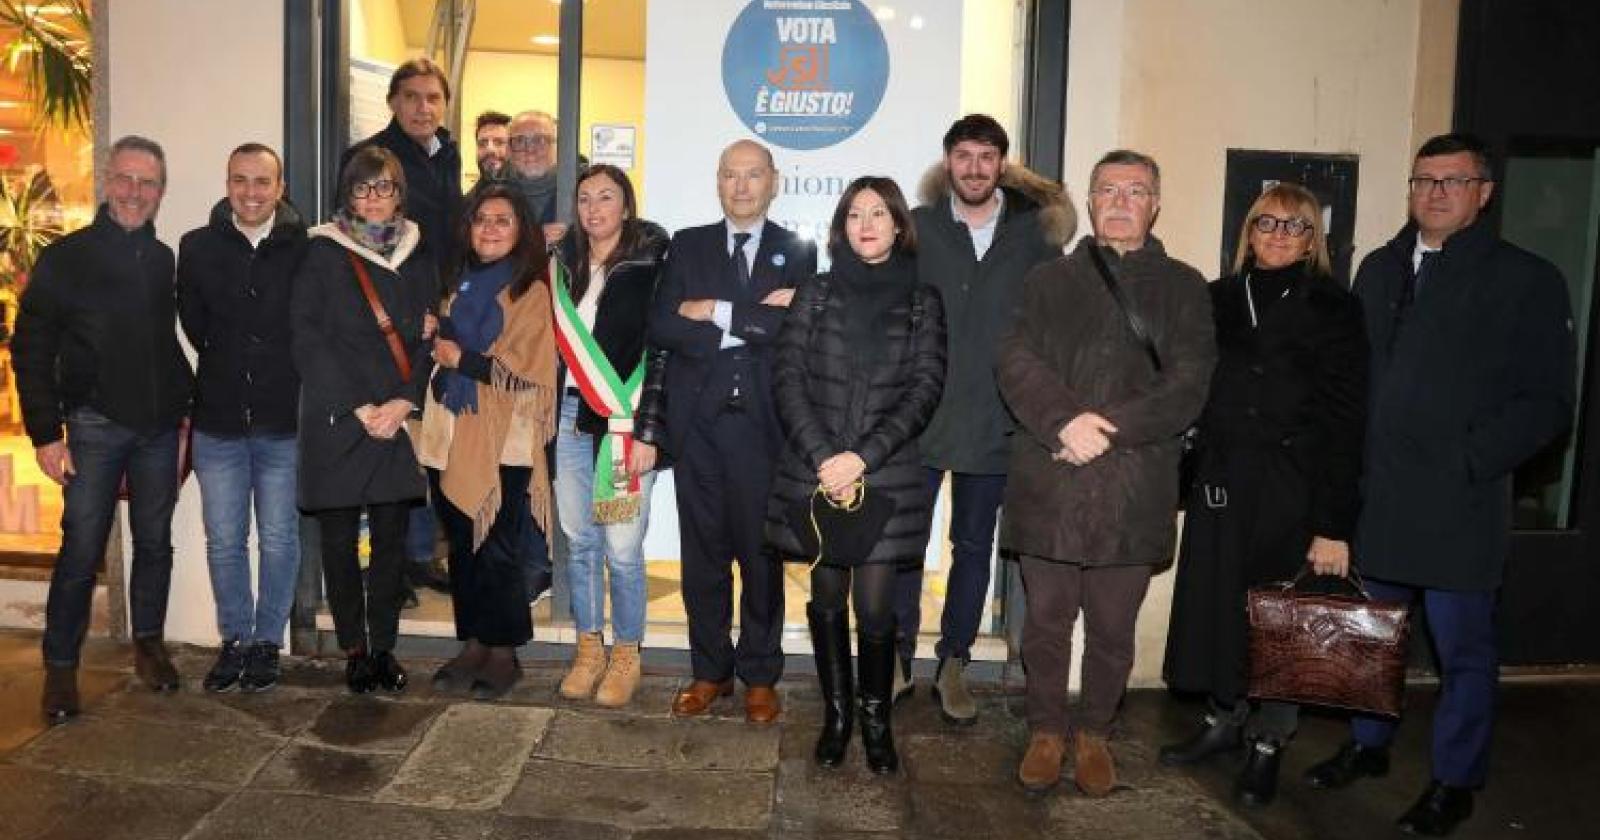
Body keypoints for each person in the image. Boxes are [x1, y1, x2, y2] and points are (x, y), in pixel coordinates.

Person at [1302, 134, 1575, 837]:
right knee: (1370, 638)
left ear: (1484, 192)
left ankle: (1455, 781)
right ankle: (1367, 747)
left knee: (1464, 655)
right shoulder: (1381, 270)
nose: (1437, 192)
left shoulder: (1527, 280)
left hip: (1459, 505)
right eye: (1425, 179)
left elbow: (1547, 402)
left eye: (1455, 180)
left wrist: (1470, 460)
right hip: (1379, 499)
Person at [998, 149, 1216, 796]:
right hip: (1052, 476)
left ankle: (1093, 732)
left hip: (1133, 484)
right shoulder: (1046, 281)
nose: (1121, 201)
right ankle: (1044, 730)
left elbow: (1190, 383)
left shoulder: (1184, 286)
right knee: (1046, 623)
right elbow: (1014, 358)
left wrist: (1103, 431)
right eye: (1108, 190)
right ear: (1090, 203)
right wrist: (1065, 421)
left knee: (1114, 628)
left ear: (1155, 203)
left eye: (1136, 190)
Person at [1158, 183, 1368, 806]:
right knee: (1220, 604)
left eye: (1293, 226)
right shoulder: (1217, 298)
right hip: (1222, 479)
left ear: (1312, 239)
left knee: (1283, 616)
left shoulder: (1336, 308)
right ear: (1248, 232)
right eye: (1266, 224)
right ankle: (1224, 721)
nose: (1278, 235)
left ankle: (1269, 741)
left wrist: (1334, 523)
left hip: (1294, 485)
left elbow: (1347, 417)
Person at [766, 176, 947, 773]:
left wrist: (861, 458)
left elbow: (925, 390)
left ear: (899, 225)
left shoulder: (925, 301)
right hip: (815, 473)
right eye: (854, 214)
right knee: (824, 598)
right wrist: (827, 458)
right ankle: (837, 715)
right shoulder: (814, 293)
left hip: (886, 477)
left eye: (878, 213)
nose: (866, 223)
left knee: (874, 609)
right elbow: (787, 380)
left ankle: (876, 720)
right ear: (842, 226)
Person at [12, 135, 195, 722]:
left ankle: (148, 644)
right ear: (105, 182)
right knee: (81, 549)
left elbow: (159, 341)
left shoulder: (163, 257)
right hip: (91, 426)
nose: (134, 192)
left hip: (158, 428)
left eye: (147, 183)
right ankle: (60, 669)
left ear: (160, 193)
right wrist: (45, 432)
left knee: (156, 542)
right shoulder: (67, 258)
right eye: (125, 179)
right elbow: (31, 346)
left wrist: (185, 398)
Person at [897, 114, 1072, 723]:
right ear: (947, 162)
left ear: (1002, 164)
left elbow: (1054, 328)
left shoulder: (1036, 237)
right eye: (963, 155)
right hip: (918, 417)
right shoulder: (916, 229)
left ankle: (954, 662)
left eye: (986, 157)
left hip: (996, 420)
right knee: (902, 546)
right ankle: (897, 658)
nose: (974, 168)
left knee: (973, 548)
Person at [649, 139, 817, 723]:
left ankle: (761, 675)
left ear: (773, 182)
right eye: (729, 175)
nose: (741, 186)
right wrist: (751, 320)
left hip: (764, 429)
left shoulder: (798, 248)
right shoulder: (688, 244)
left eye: (752, 175)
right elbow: (664, 325)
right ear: (717, 182)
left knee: (760, 555)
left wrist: (716, 313)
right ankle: (710, 670)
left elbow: (798, 329)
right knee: (703, 558)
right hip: (698, 428)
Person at [292, 145, 438, 694]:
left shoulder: (416, 250)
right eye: (363, 188)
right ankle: (353, 649)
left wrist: (403, 402)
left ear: (399, 193)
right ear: (346, 194)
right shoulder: (321, 250)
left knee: (390, 543)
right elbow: (307, 336)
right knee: (338, 544)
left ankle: (383, 647)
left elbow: (430, 333)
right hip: (339, 416)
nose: (375, 199)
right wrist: (359, 408)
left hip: (395, 418)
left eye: (385, 187)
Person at [416, 183, 558, 701]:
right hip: (450, 432)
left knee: (496, 548)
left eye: (502, 220)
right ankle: (474, 641)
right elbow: (443, 345)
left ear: (521, 229)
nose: (490, 229)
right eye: (481, 220)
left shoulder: (529, 290)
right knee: (462, 543)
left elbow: (532, 371)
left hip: (504, 439)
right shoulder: (456, 283)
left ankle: (504, 652)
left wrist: (463, 361)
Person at [177, 143, 310, 693]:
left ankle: (266, 642)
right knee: (224, 538)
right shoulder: (197, 246)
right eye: (240, 180)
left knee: (279, 538)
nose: (250, 192)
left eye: (262, 181)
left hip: (283, 419)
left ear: (280, 188)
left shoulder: (307, 248)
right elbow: (195, 325)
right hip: (220, 419)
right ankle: (234, 638)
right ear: (227, 183)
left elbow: (311, 323)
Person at [341, 58, 462, 601]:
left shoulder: (446, 155)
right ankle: (391, 565)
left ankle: (416, 556)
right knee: (394, 439)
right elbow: (359, 243)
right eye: (412, 97)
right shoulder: (372, 159)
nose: (423, 107)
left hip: (439, 313)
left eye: (433, 98)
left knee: (425, 436)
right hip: (393, 319)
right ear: (392, 102)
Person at [550, 165, 670, 709]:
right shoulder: (562, 264)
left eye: (606, 197)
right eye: (585, 198)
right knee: (579, 544)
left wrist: (650, 430)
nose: (594, 207)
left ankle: (627, 653)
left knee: (622, 549)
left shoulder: (651, 264)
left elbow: (662, 351)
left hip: (622, 422)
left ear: (626, 204)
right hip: (571, 418)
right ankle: (587, 649)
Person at [506, 110, 569, 246]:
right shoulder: (492, 194)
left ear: (558, 146)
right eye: (519, 140)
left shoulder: (579, 189)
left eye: (540, 140)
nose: (530, 150)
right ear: (508, 150)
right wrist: (534, 239)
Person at [474, 110, 512, 183]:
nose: (490, 149)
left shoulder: (533, 192)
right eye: (482, 144)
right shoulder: (471, 194)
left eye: (499, 142)